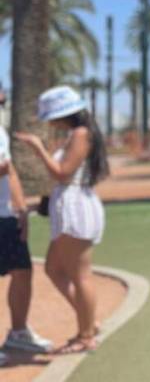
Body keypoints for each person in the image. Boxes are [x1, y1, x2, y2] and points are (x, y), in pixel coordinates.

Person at [15, 85, 109, 353]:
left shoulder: (80, 134)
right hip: (69, 203)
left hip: (74, 206)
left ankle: (86, 335)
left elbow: (62, 172)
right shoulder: (76, 133)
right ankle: (89, 323)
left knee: (80, 275)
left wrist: (38, 148)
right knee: (54, 269)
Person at [0, 87, 52, 356]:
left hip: (6, 215)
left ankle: (18, 333)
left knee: (22, 270)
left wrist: (20, 209)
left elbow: (10, 169)